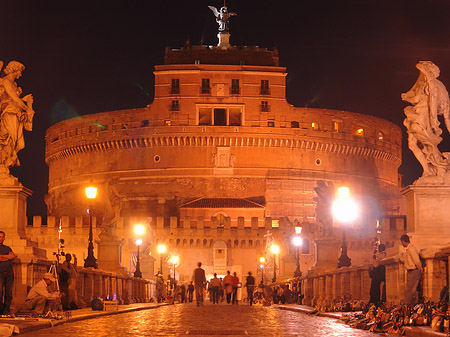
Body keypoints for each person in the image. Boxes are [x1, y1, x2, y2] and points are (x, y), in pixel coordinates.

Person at [0, 61, 34, 170]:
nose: (21, 74)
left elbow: (14, 99)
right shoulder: (5, 82)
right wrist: (27, 108)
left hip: (16, 114)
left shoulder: (14, 84)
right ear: (15, 69)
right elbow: (14, 99)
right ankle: (4, 167)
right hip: (9, 113)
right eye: (20, 71)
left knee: (19, 143)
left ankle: (5, 167)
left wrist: (25, 100)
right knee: (10, 139)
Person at [399, 234, 423, 305]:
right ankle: (413, 305)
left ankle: (406, 305)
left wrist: (420, 269)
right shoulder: (409, 249)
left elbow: (417, 261)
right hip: (412, 272)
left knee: (409, 290)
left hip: (413, 272)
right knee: (414, 291)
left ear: (403, 241)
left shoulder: (411, 249)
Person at [0, 231, 15, 315]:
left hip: (9, 272)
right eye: (0, 237)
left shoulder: (7, 248)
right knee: (0, 293)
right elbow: (8, 257)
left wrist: (2, 256)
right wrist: (7, 257)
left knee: (8, 293)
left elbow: (12, 256)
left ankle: (6, 310)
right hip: (0, 272)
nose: (1, 238)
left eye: (3, 237)